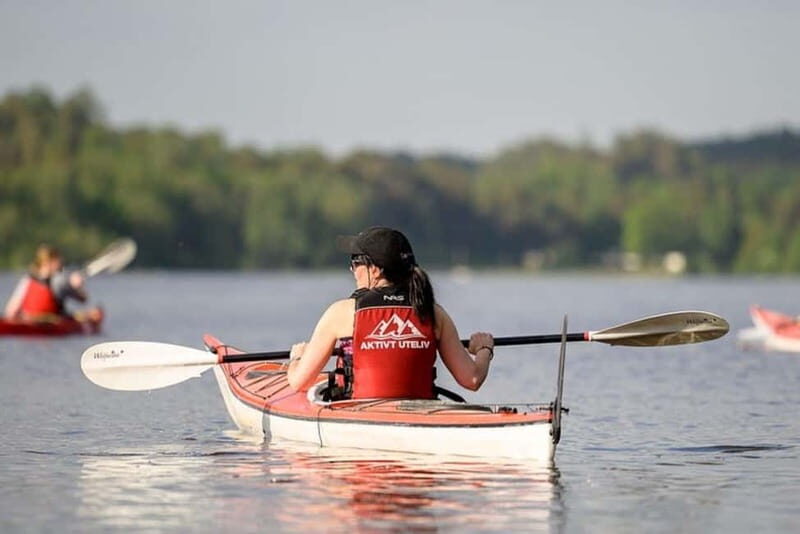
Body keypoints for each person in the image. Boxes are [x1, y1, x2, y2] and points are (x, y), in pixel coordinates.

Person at [287, 226, 494, 400]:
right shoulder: (433, 312)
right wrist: (484, 349)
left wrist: (297, 358)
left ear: (375, 270)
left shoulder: (341, 312)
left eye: (355, 262)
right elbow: (472, 379)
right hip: (422, 414)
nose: (352, 270)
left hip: (359, 415)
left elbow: (298, 382)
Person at [4, 244, 93, 321]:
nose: (61, 265)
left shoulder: (27, 280)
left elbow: (10, 312)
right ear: (51, 262)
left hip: (29, 321)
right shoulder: (59, 281)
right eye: (59, 261)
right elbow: (83, 299)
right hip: (50, 323)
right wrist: (77, 286)